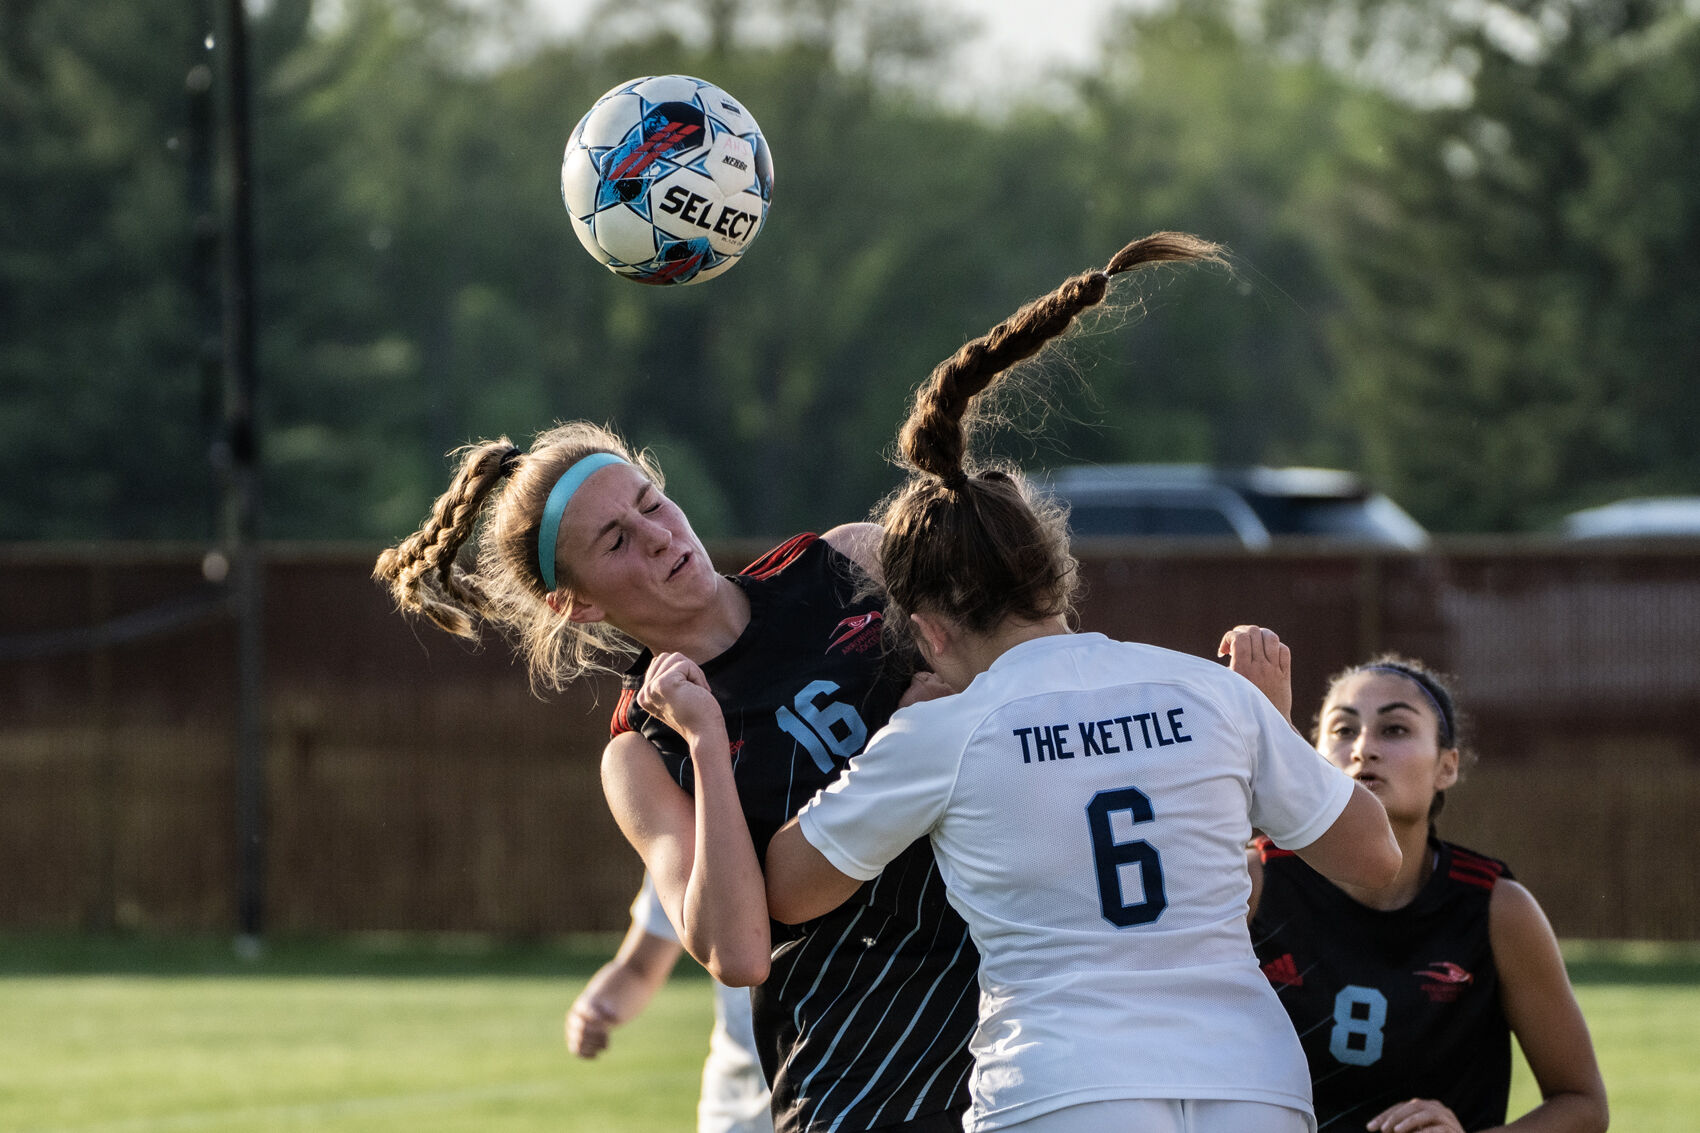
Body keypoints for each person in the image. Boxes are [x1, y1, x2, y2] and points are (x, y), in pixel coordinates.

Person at [757, 233, 1404, 1133]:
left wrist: (887, 738)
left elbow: (787, 889)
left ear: (931, 628)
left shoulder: (945, 731)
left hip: (1062, 1086)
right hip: (1251, 1080)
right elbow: (1375, 859)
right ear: (1055, 572)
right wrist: (1273, 729)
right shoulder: (1211, 695)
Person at [373, 419, 979, 1132]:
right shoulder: (643, 750)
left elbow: (1023, 675)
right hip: (871, 1081)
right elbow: (738, 949)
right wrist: (705, 739)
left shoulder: (848, 562)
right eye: (615, 540)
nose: (657, 534)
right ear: (577, 603)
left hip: (1023, 1032)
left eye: (650, 503)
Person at [1224, 627, 1609, 1133]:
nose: (1363, 748)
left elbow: (1582, 1104)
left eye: (1396, 730)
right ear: (1310, 754)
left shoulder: (1495, 908)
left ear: (1447, 767)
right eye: (1342, 731)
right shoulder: (1253, 883)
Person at [567, 873, 772, 1133]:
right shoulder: (691, 842)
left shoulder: (828, 835)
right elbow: (639, 966)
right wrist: (597, 1006)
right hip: (736, 1103)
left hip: (826, 1093)